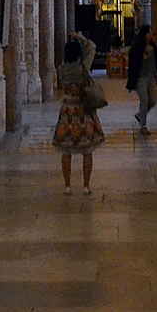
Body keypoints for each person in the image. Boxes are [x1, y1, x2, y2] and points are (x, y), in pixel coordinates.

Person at [53, 32, 104, 193]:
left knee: (66, 150)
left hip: (68, 110)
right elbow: (93, 47)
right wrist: (80, 37)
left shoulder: (61, 70)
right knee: (87, 150)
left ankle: (67, 186)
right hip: (83, 110)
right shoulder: (83, 67)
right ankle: (86, 185)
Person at [125, 25, 157, 134]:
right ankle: (143, 125)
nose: (151, 35)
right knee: (144, 100)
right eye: (149, 33)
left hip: (151, 77)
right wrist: (144, 56)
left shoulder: (153, 46)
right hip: (140, 77)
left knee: (153, 99)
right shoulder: (137, 47)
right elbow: (134, 61)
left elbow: (155, 63)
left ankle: (140, 115)